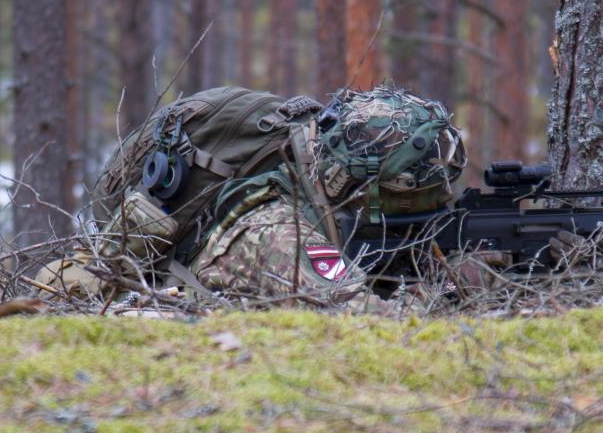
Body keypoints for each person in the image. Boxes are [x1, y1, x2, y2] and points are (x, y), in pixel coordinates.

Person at [39, 85, 469, 306]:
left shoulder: (311, 158)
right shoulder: (279, 234)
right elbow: (369, 324)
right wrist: (457, 285)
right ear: (369, 191)